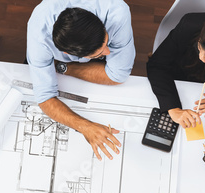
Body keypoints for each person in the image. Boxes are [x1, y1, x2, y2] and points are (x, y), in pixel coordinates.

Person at [27, 0, 135, 161]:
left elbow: (117, 75)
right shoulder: (39, 33)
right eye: (98, 55)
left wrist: (62, 68)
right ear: (66, 53)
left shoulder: (117, 13)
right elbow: (45, 97)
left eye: (106, 42)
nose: (108, 51)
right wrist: (85, 127)